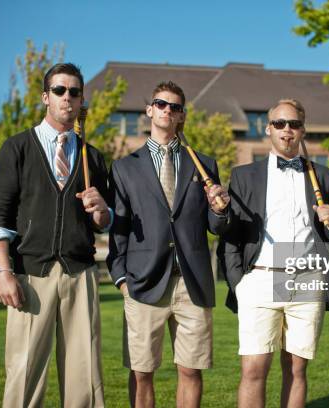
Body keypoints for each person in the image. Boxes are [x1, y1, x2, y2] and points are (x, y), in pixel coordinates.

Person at [0, 63, 111, 407]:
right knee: (24, 374)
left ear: (82, 99)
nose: (67, 98)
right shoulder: (17, 148)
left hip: (80, 274)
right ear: (45, 97)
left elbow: (105, 220)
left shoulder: (93, 158)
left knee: (85, 378)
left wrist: (102, 210)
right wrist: (3, 271)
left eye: (74, 92)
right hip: (30, 273)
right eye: (59, 90)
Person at [107, 80, 231, 408]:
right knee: (141, 372)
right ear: (149, 110)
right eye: (161, 104)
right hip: (143, 282)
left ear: (182, 116)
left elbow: (215, 226)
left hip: (193, 282)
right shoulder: (123, 167)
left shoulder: (203, 164)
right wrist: (121, 279)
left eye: (174, 107)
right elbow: (117, 228)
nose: (167, 110)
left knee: (190, 370)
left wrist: (220, 209)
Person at [218, 99, 329, 408]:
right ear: (268, 129)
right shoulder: (244, 175)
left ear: (302, 130)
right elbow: (232, 234)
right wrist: (240, 282)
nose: (287, 130)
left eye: (294, 124)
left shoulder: (323, 175)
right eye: (280, 124)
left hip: (307, 279)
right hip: (260, 279)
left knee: (296, 369)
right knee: (253, 369)